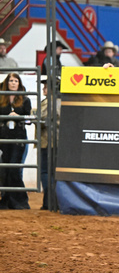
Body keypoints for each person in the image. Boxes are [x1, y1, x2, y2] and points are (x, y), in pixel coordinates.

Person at [0, 73, 31, 209]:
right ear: (7, 83)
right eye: (11, 80)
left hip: (19, 137)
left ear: (19, 83)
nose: (13, 83)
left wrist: (19, 116)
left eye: (16, 81)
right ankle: (7, 200)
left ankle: (21, 200)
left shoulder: (25, 99)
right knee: (5, 169)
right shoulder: (1, 98)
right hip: (4, 137)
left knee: (13, 168)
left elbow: (30, 120)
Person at [35, 77, 59, 210]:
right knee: (52, 172)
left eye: (46, 86)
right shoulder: (58, 101)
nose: (44, 88)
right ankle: (49, 201)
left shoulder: (49, 102)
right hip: (55, 141)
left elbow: (43, 119)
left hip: (47, 141)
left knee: (45, 171)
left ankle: (49, 200)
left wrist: (34, 116)